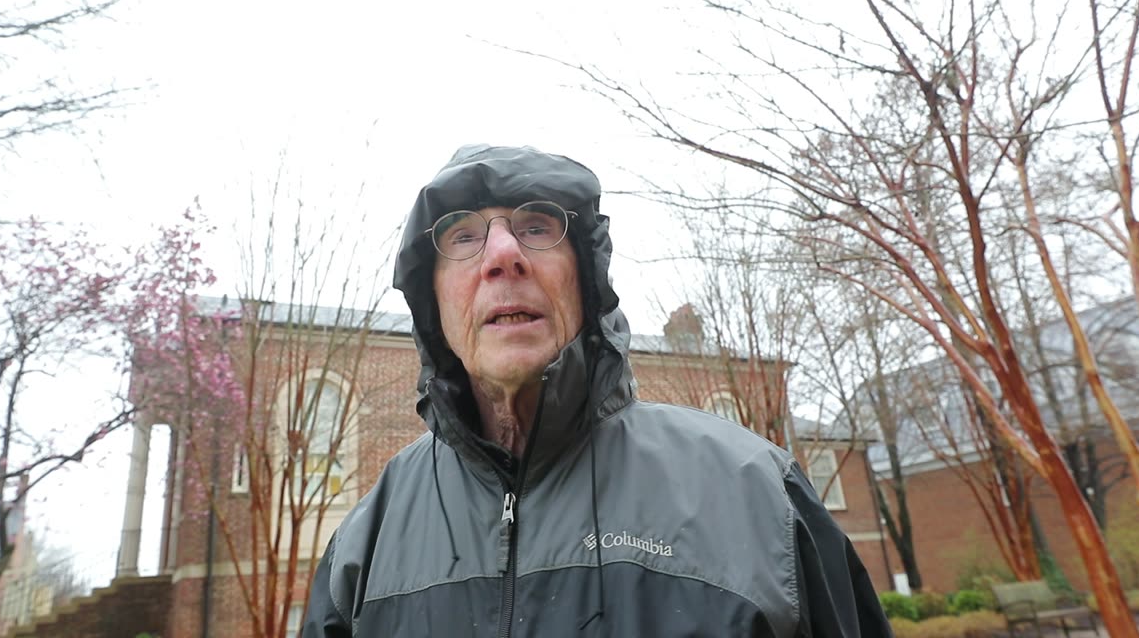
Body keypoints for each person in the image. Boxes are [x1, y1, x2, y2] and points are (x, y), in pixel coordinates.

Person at [304, 145, 891, 637]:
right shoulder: (366, 542)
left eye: (536, 228)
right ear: (433, 301)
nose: (504, 255)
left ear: (585, 279)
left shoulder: (761, 498)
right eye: (463, 237)